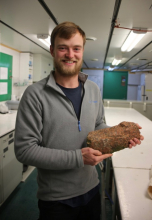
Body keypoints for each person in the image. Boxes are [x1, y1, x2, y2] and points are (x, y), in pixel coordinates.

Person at [14, 21, 144, 220]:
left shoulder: (92, 89)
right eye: (62, 48)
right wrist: (78, 158)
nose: (70, 54)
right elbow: (25, 150)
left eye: (76, 48)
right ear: (52, 51)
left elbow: (98, 124)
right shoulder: (35, 95)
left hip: (91, 187)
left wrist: (120, 135)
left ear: (82, 51)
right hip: (56, 200)